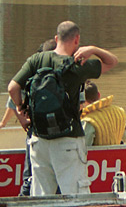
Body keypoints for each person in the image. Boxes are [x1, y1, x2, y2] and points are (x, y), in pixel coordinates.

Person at [8, 21, 118, 196]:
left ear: (56, 38)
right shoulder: (77, 65)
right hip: (68, 139)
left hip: (39, 139)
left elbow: (12, 88)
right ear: (77, 40)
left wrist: (22, 109)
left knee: (41, 198)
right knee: (76, 196)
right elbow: (112, 62)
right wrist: (94, 49)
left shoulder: (36, 60)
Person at [0, 38, 56, 196]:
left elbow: (13, 94)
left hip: (35, 131)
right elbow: (13, 96)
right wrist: (5, 121)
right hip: (57, 132)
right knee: (48, 175)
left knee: (31, 174)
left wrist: (17, 117)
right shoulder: (60, 71)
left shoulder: (31, 73)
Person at [80, 80, 126, 147]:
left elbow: (84, 147)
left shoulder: (88, 121)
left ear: (82, 99)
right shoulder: (119, 112)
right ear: (98, 95)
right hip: (118, 156)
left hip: (98, 157)